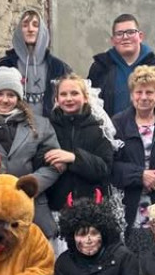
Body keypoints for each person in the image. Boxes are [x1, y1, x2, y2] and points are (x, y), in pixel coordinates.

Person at [0, 66, 61, 239]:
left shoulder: (40, 125)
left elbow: (53, 165)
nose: (5, 100)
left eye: (11, 95)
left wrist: (28, 185)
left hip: (33, 208)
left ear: (19, 98)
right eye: (0, 94)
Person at [110, 65, 155, 253]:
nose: (143, 97)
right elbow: (111, 165)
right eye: (139, 92)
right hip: (129, 207)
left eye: (149, 92)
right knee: (132, 261)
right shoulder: (117, 123)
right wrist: (140, 176)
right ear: (131, 95)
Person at [88, 14, 155, 126]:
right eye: (119, 34)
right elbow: (90, 108)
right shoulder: (100, 68)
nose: (125, 37)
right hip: (112, 139)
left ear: (140, 36)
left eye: (130, 32)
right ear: (113, 40)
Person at [45, 74, 119, 215]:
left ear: (85, 98)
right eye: (63, 94)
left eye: (74, 93)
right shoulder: (47, 127)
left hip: (92, 208)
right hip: (56, 208)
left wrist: (74, 158)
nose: (69, 99)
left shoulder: (99, 128)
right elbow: (39, 160)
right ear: (56, 99)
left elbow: (104, 169)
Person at [0, 9, 72, 116]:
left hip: (50, 129)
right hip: (13, 129)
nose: (30, 29)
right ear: (19, 30)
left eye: (35, 25)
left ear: (42, 31)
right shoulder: (4, 65)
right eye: (25, 25)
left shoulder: (59, 68)